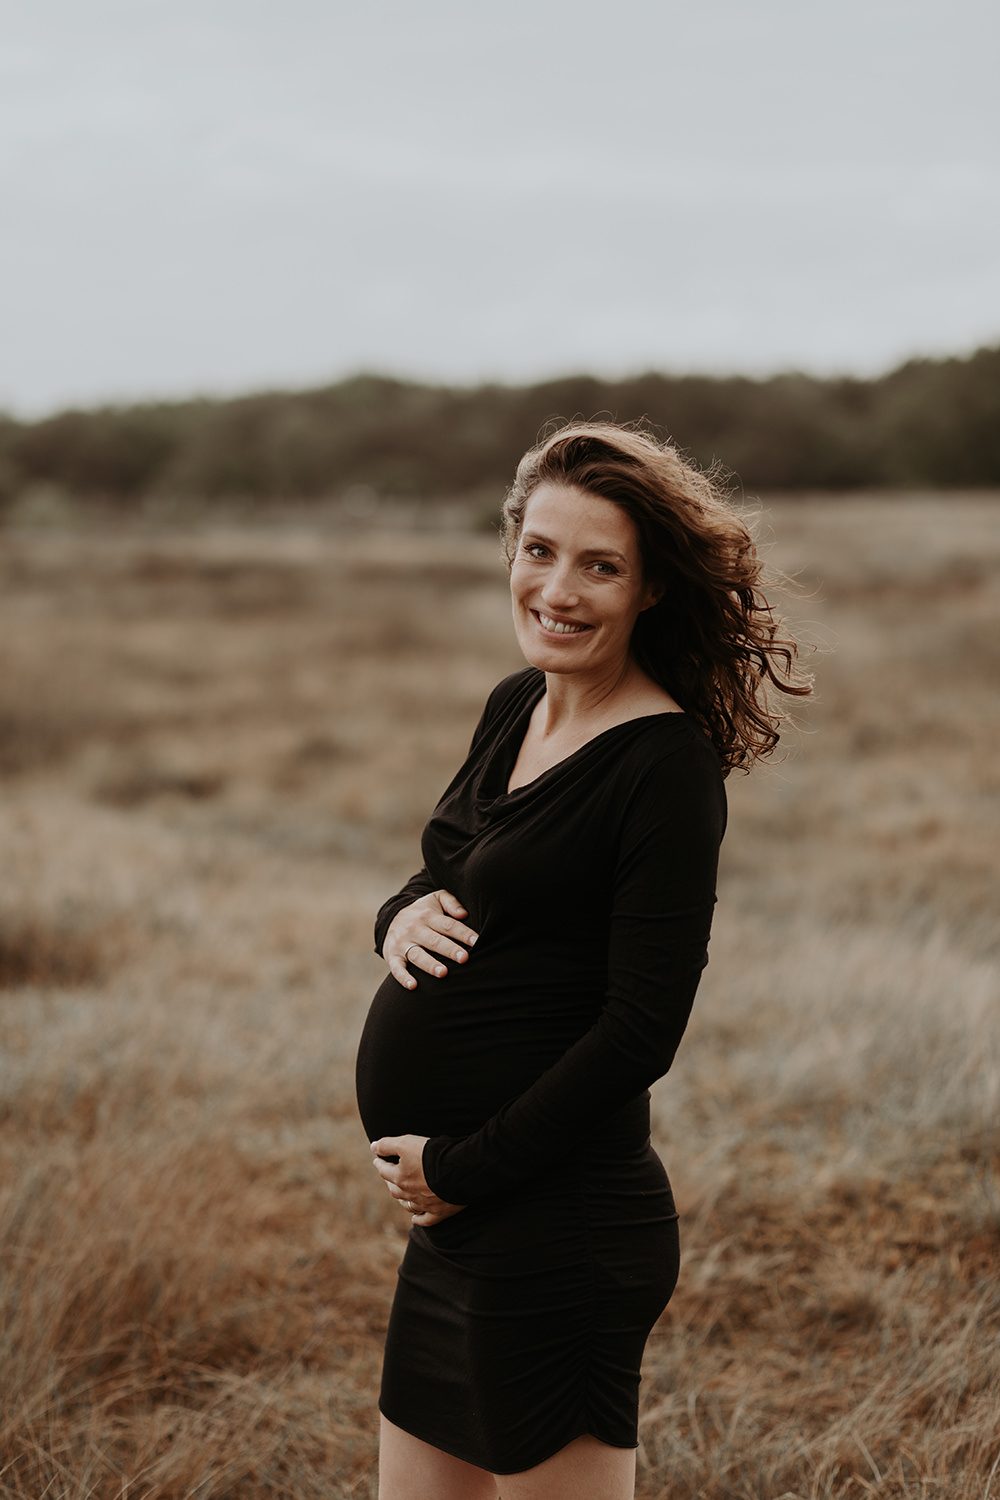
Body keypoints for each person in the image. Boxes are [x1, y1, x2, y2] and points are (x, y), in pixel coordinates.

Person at [355, 422, 811, 1500]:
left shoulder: (663, 769)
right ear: (511, 548)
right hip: (460, 1235)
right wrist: (391, 919)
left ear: (650, 589)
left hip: (561, 1229)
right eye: (539, 550)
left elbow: (640, 1029)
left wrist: (458, 1171)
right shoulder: (517, 705)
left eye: (599, 565)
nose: (557, 589)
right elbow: (448, 874)